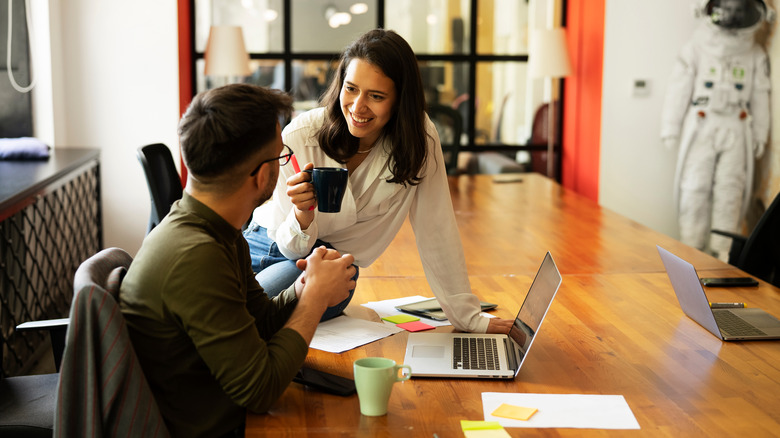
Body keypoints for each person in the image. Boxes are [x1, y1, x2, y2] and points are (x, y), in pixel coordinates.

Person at [119, 83, 356, 437]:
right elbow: (260, 391)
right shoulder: (196, 255)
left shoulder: (214, 228)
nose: (283, 164)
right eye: (280, 156)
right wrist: (316, 299)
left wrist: (304, 288)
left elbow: (257, 321)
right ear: (262, 175)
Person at [243, 28, 512, 334]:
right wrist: (303, 216)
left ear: (400, 100)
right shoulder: (302, 135)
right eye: (351, 89)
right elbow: (289, 247)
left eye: (376, 96)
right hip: (270, 244)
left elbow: (436, 229)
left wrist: (469, 318)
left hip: (335, 268)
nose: (358, 107)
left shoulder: (417, 141)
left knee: (251, 320)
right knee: (230, 318)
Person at [661, 0, 772, 261]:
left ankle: (723, 253)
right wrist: (670, 126)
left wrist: (760, 134)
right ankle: (691, 246)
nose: (732, 17)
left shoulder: (754, 53)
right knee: (694, 186)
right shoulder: (696, 47)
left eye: (738, 10)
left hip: (736, 125)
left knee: (730, 190)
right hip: (703, 122)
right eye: (727, 9)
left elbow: (760, 94)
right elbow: (679, 87)